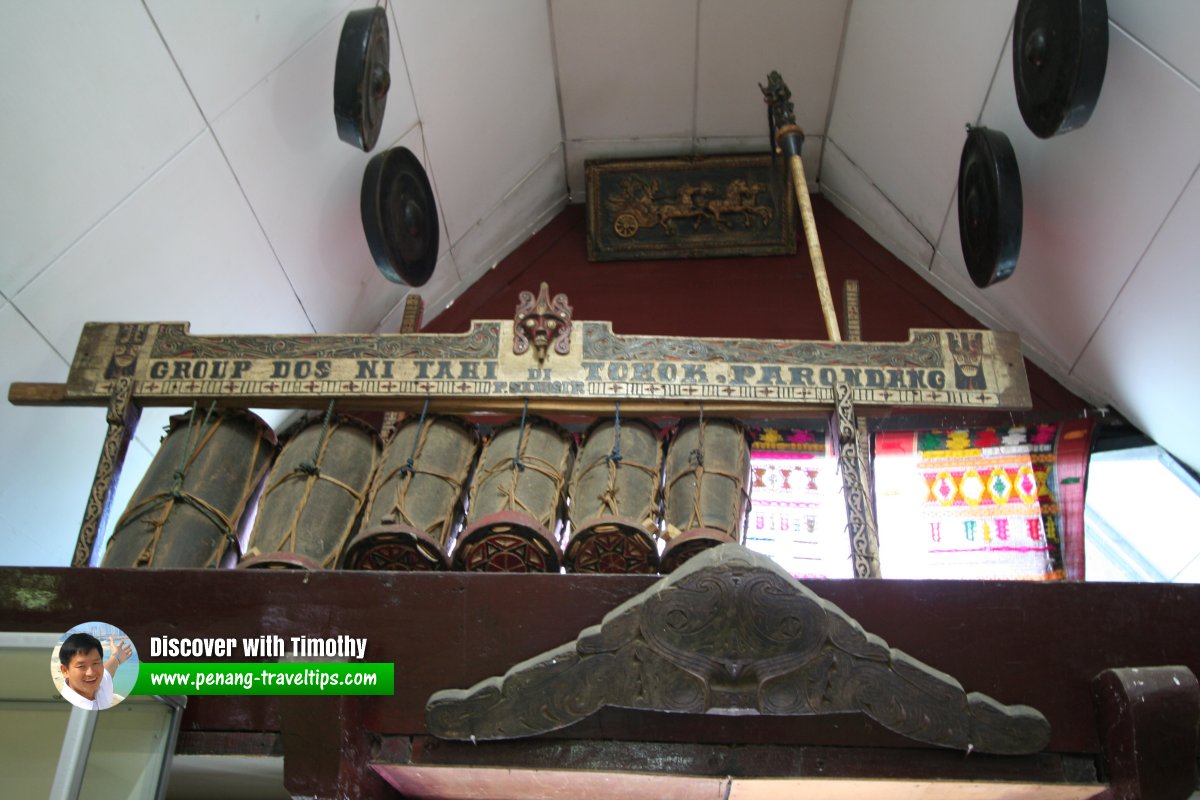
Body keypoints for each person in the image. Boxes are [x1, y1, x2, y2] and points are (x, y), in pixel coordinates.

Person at [58, 632, 132, 710]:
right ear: (65, 671)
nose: (91, 673)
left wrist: (116, 656)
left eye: (95, 663)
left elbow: (108, 671)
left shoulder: (101, 684)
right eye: (81, 666)